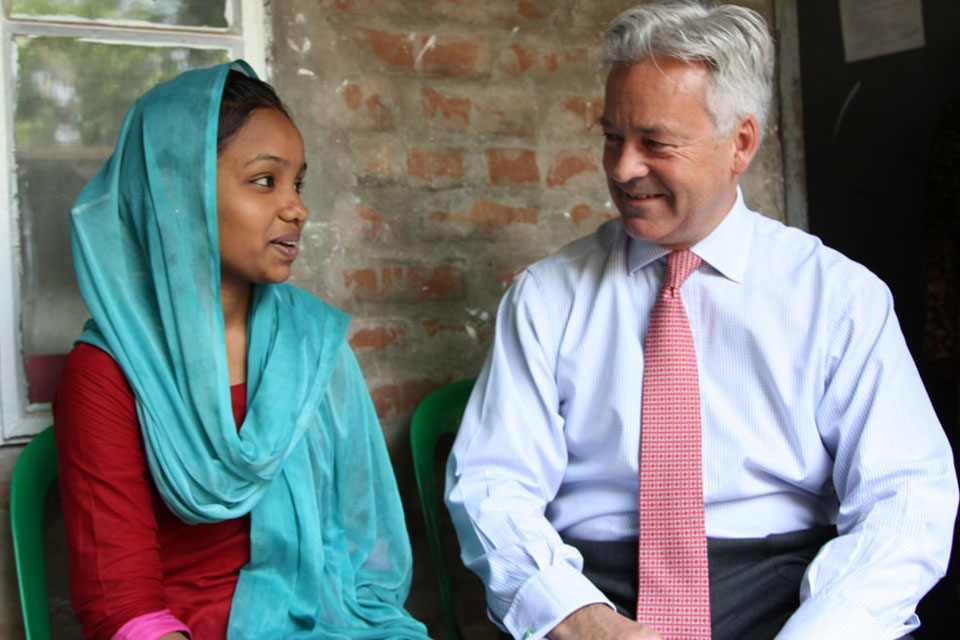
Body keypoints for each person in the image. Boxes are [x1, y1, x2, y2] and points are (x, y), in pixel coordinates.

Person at [444, 2, 959, 639]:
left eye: (654, 143)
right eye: (612, 136)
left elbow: (907, 498)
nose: (622, 167)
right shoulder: (546, 298)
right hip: (592, 592)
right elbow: (494, 483)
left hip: (792, 594)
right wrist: (574, 618)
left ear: (739, 142)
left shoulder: (838, 297)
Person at [54, 61, 430, 640]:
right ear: (178, 191)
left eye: (297, 183)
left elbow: (365, 563)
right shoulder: (108, 372)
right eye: (264, 180)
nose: (296, 207)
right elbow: (122, 604)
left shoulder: (310, 345)